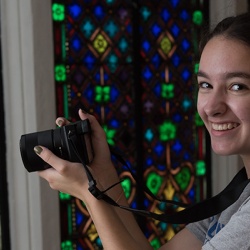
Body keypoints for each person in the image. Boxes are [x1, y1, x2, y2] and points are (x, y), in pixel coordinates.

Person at [35, 12, 250, 249]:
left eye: (237, 86)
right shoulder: (239, 194)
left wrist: (89, 194)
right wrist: (103, 174)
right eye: (205, 85)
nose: (211, 107)